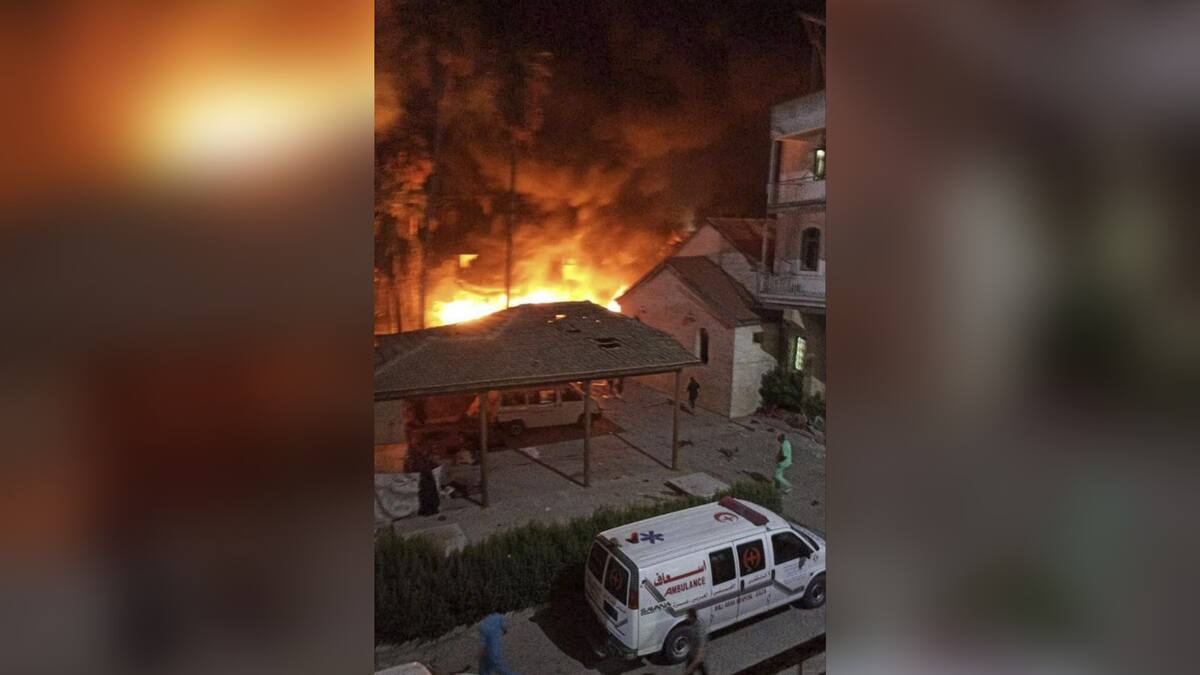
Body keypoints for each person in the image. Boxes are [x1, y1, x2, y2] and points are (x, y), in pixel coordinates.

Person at [682, 608, 709, 674]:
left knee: (696, 670)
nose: (686, 618)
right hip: (692, 654)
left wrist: (692, 666)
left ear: (692, 617)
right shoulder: (692, 624)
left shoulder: (699, 629)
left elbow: (701, 648)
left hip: (697, 657)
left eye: (688, 616)